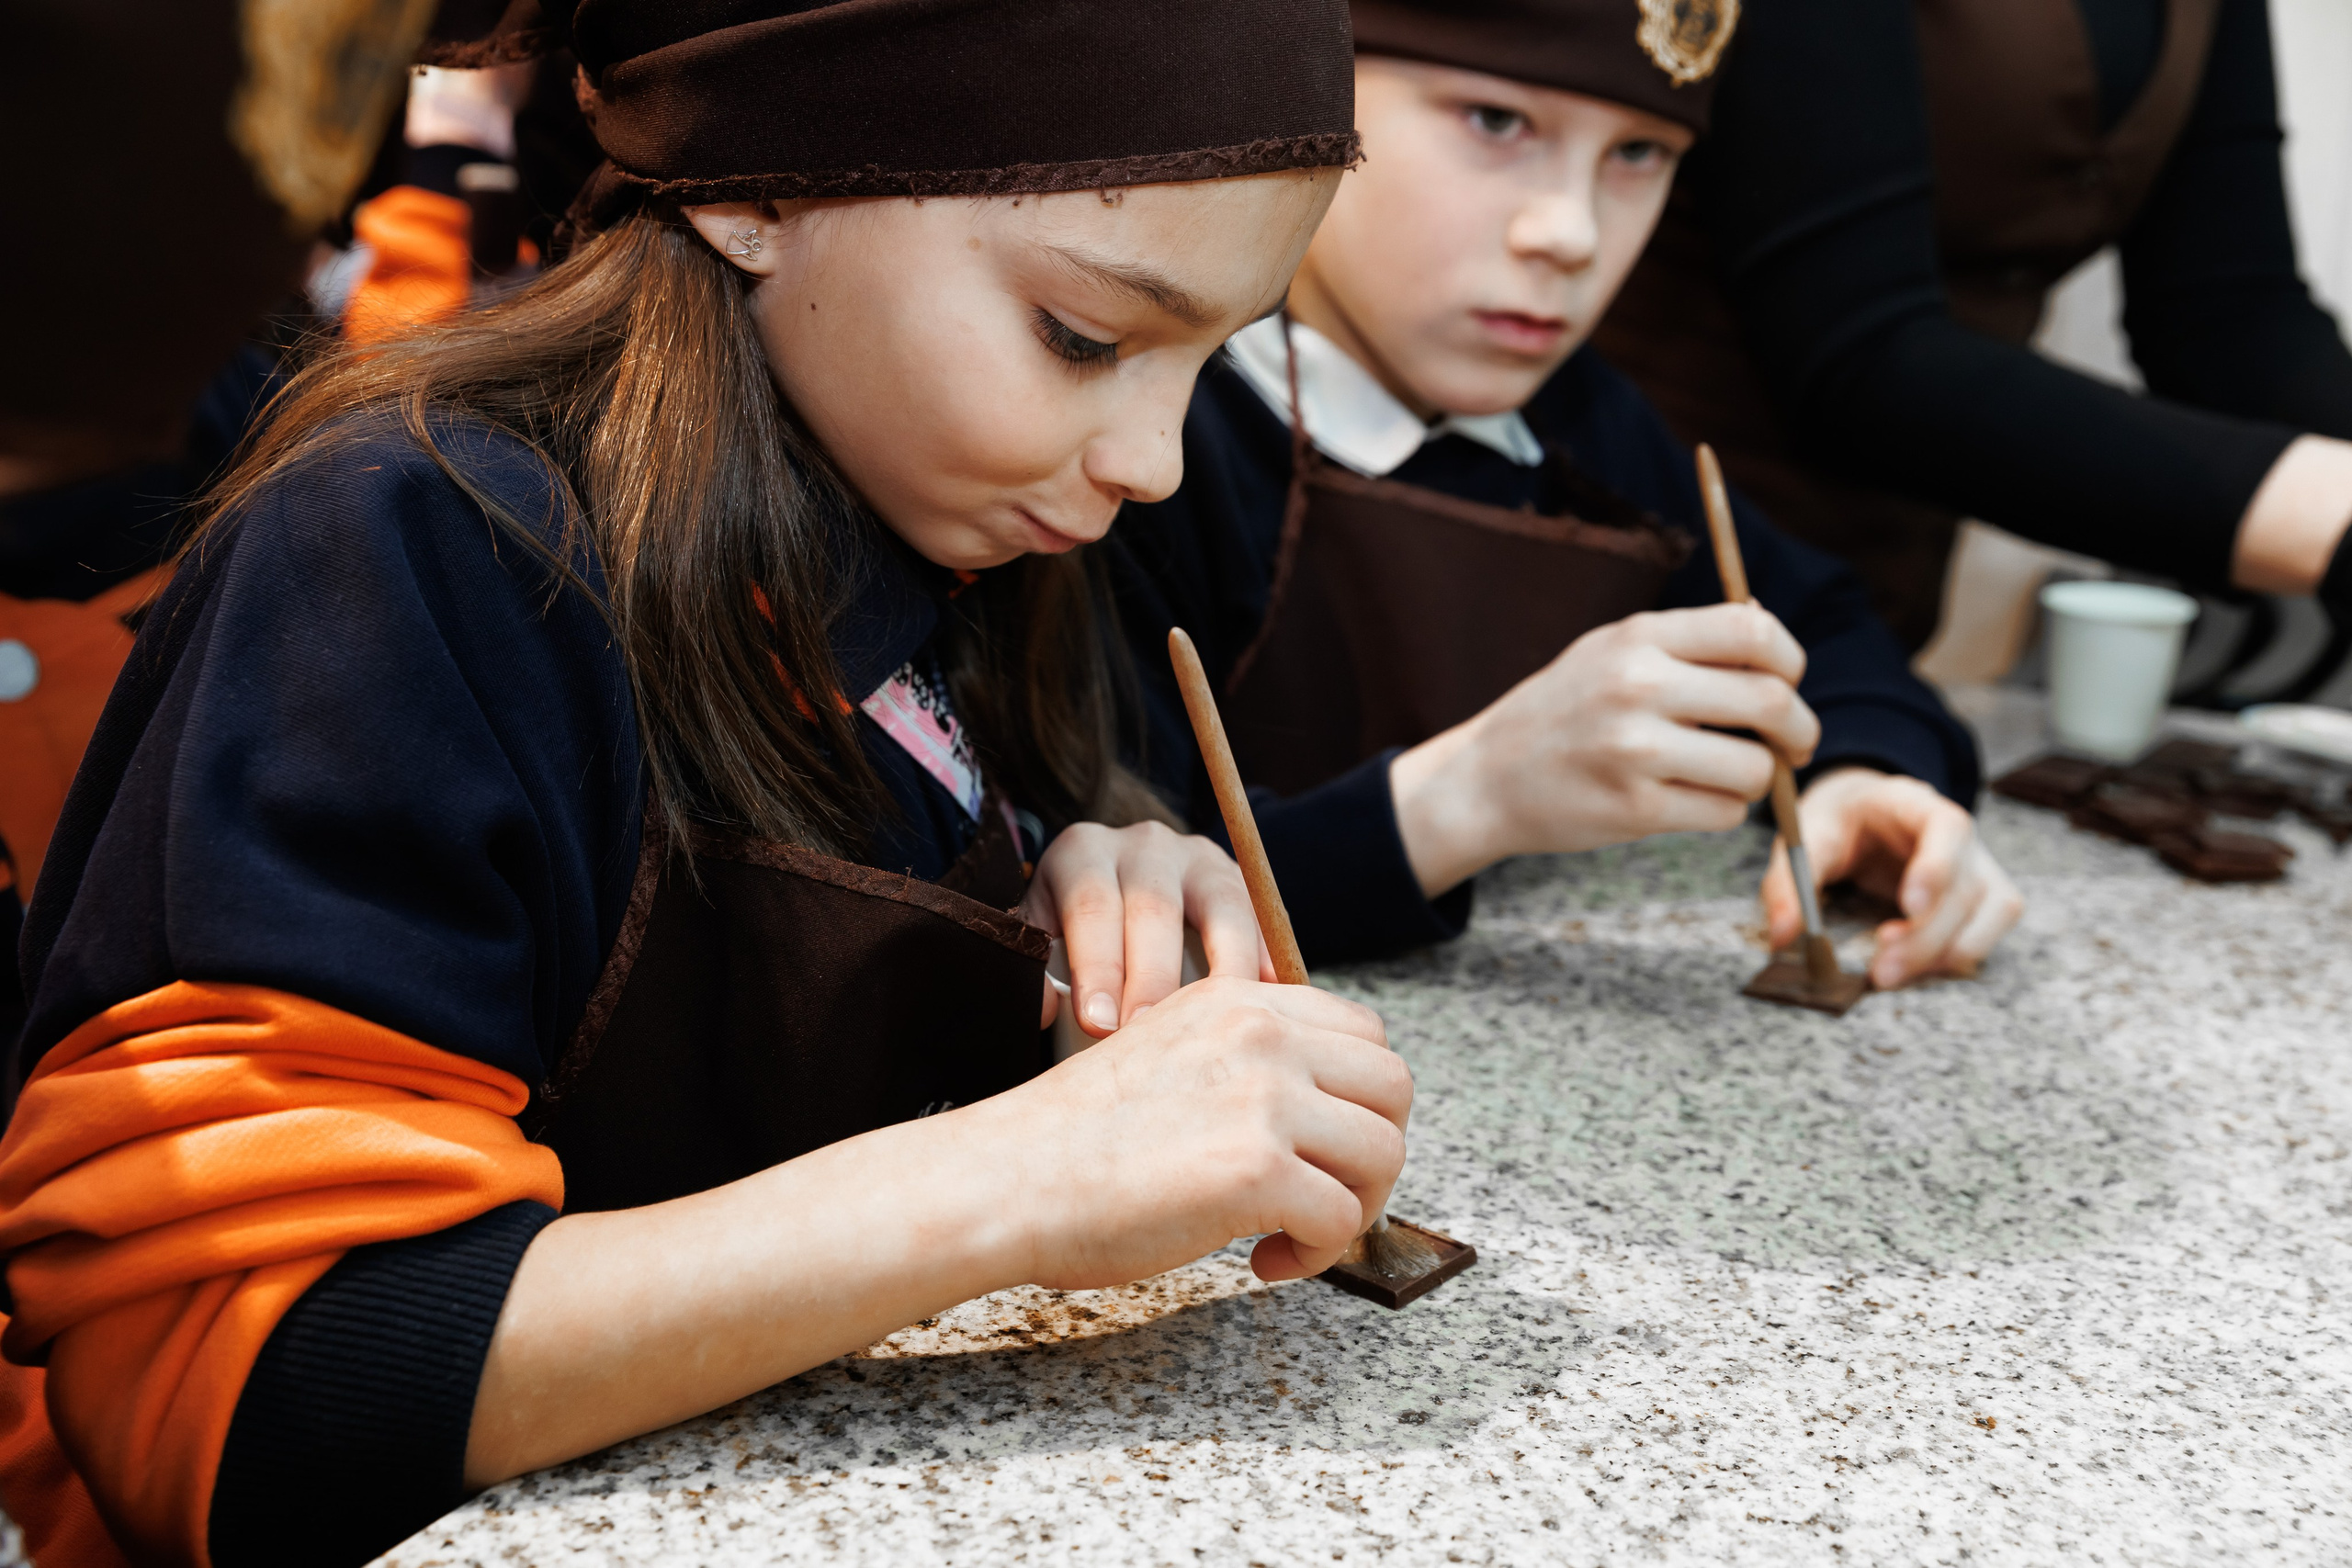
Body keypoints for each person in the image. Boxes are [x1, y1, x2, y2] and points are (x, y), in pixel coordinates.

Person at [0, 5, 1409, 1566]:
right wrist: (1022, 1172)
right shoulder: (422, 549)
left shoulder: (963, 518)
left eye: (1213, 354)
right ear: (756, 194)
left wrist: (1093, 877)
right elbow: (236, 1391)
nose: (1152, 455)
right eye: (1085, 336)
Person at [1105, 0, 2022, 993]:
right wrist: (1473, 795)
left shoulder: (1581, 421)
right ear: (1313, 91)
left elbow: (1824, 629)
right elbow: (1093, 877)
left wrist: (1870, 774)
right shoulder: (1143, 439)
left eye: (1638, 153)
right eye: (1496, 122)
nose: (1571, 233)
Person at [1592, 0, 2352, 651]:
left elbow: (2228, 313)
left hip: (1873, 602)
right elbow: (1860, 350)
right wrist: (2328, 516)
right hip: (1639, 553)